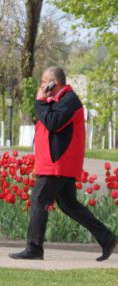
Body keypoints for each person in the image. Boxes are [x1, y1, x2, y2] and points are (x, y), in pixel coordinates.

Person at [9, 67, 117, 261]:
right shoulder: (59, 100)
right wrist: (44, 102)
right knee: (69, 205)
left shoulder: (70, 101)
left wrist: (40, 101)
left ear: (54, 83)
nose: (41, 85)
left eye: (44, 81)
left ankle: (34, 248)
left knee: (39, 201)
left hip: (58, 163)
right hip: (55, 163)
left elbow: (53, 123)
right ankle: (107, 238)